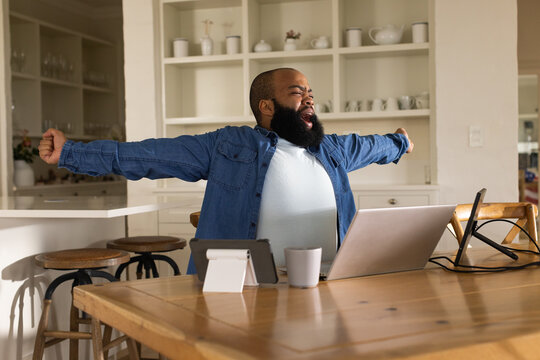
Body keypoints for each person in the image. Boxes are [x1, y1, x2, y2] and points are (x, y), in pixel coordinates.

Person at [39, 67, 413, 272]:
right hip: (249, 285)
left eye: (311, 92)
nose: (310, 98)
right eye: (298, 92)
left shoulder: (329, 149)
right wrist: (71, 153)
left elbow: (371, 145)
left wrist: (400, 143)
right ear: (267, 107)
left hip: (328, 280)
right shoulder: (228, 146)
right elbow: (149, 155)